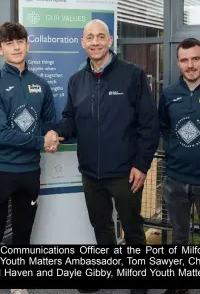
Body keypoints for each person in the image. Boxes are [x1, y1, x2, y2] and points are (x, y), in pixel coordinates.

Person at [54, 19, 160, 294]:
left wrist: (141, 164)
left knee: (132, 228)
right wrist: (55, 133)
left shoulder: (132, 75)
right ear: (83, 43)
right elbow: (69, 119)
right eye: (90, 37)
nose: (95, 42)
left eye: (101, 36)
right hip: (90, 172)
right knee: (101, 226)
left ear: (110, 40)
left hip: (125, 172)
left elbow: (149, 124)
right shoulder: (77, 80)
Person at [0, 22, 57, 294]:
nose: (16, 47)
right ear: (0, 49)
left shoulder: (41, 85)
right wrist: (40, 141)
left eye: (20, 41)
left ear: (27, 44)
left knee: (23, 232)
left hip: (29, 171)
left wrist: (50, 137)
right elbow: (1, 134)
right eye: (9, 43)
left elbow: (49, 123)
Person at [159, 38, 200, 294]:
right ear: (178, 63)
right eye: (184, 60)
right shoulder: (168, 94)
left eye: (195, 59)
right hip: (175, 179)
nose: (190, 65)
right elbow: (164, 127)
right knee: (179, 238)